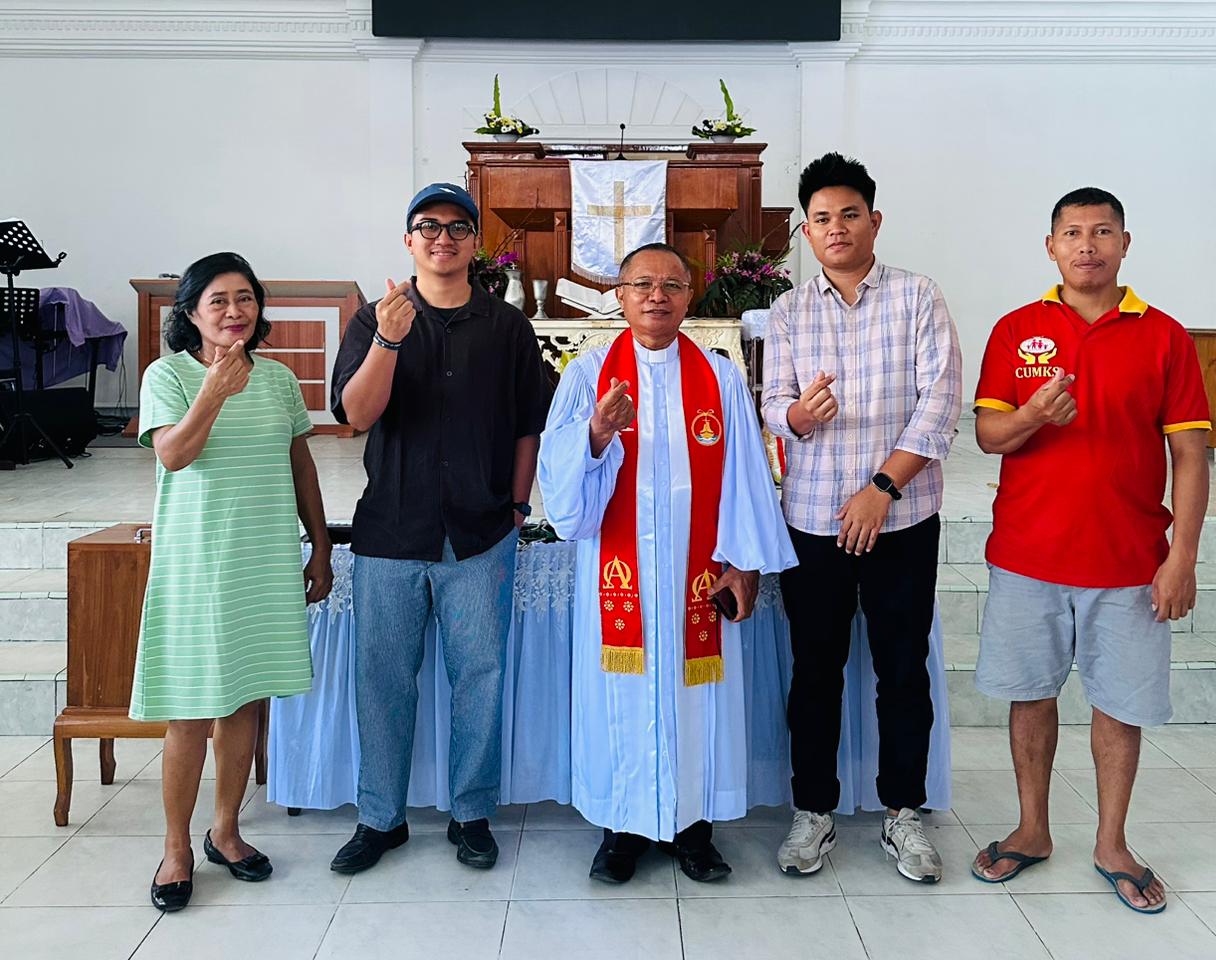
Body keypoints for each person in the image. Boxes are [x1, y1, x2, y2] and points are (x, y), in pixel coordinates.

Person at [969, 188, 1210, 915]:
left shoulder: (1164, 336)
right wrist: (1033, 415)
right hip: (1028, 554)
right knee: (1030, 695)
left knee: (1119, 705)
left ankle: (1112, 842)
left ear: (1124, 243)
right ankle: (1032, 829)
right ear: (1050, 247)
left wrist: (1182, 557)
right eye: (1072, 232)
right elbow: (988, 437)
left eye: (1102, 232)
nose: (1087, 245)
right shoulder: (1017, 329)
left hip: (1129, 560)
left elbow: (1191, 455)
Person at [538, 242, 797, 884]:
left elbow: (745, 474)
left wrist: (744, 563)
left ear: (689, 296)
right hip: (618, 577)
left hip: (696, 575)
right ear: (620, 296)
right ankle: (620, 831)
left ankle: (694, 828)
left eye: (672, 285)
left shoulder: (719, 378)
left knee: (697, 698)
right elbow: (560, 487)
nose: (657, 296)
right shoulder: (587, 375)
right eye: (642, 284)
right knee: (619, 697)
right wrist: (596, 434)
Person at [328, 183, 548, 875]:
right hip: (392, 530)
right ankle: (380, 818)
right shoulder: (374, 319)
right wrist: (389, 340)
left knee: (479, 675)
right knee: (382, 678)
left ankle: (471, 812)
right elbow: (356, 415)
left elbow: (528, 424)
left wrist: (516, 507)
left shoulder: (506, 327)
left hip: (481, 532)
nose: (443, 238)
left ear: (475, 242)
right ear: (408, 240)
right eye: (428, 226)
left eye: (457, 227)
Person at [762, 153, 962, 882]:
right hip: (815, 521)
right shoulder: (789, 311)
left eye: (849, 214)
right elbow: (771, 407)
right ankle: (812, 811)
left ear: (874, 221)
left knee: (902, 670)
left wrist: (882, 488)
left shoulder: (917, 296)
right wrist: (798, 415)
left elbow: (940, 404)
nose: (836, 228)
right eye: (821, 218)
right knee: (815, 671)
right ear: (806, 232)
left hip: (901, 519)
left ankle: (903, 811)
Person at [132, 252, 332, 912]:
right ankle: (176, 848)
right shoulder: (167, 375)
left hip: (263, 559)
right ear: (191, 313)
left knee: (244, 702)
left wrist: (320, 545)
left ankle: (225, 831)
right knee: (190, 710)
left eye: (245, 298)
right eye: (218, 300)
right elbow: (174, 454)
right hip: (197, 563)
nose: (234, 311)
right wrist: (214, 391)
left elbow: (301, 465)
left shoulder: (278, 379)